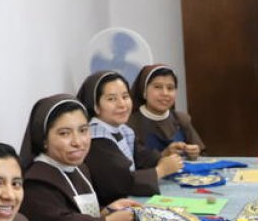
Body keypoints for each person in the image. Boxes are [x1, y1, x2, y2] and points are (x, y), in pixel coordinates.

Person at [19, 93, 140, 221]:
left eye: (83, 130)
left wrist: (106, 211)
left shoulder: (79, 168)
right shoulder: (36, 183)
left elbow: (78, 213)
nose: (77, 142)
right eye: (64, 133)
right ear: (43, 140)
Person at [77, 71, 184, 206]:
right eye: (111, 99)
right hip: (110, 208)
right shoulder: (95, 138)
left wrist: (164, 155)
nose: (122, 104)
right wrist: (160, 170)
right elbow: (119, 182)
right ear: (96, 106)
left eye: (125, 96)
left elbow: (141, 156)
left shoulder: (121, 129)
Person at [128, 64, 205, 158]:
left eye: (170, 88)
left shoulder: (181, 119)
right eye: (158, 87)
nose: (165, 93)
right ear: (144, 91)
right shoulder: (129, 125)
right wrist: (162, 155)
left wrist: (194, 153)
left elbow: (201, 153)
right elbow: (129, 165)